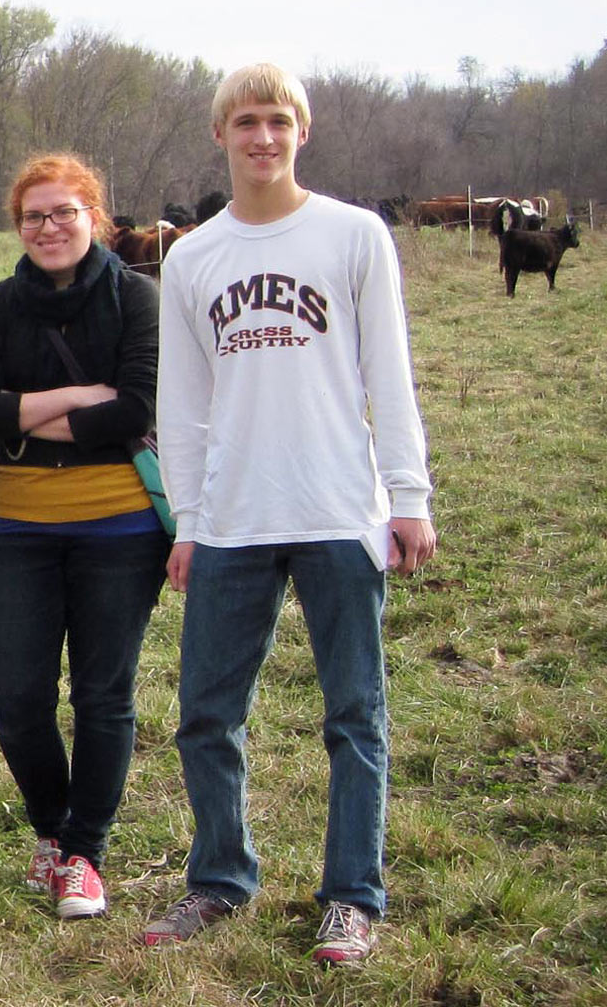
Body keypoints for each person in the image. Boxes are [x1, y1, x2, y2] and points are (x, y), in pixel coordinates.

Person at [139, 63, 435, 968]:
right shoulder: (193, 256)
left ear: (301, 132)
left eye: (277, 121)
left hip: (339, 508)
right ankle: (220, 878)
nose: (262, 138)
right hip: (231, 518)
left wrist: (409, 494)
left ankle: (351, 897)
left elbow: (389, 368)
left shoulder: (352, 235)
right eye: (245, 123)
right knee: (205, 715)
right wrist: (186, 519)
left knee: (355, 714)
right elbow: (181, 405)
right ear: (220, 135)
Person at [0, 153, 167, 922]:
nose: (49, 227)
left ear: (95, 217)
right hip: (20, 525)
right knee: (16, 700)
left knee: (103, 694)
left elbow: (135, 405)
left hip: (120, 522)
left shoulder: (137, 300)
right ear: (18, 226)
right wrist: (79, 395)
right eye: (34, 216)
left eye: (64, 212)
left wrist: (30, 411)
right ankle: (52, 824)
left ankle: (82, 855)